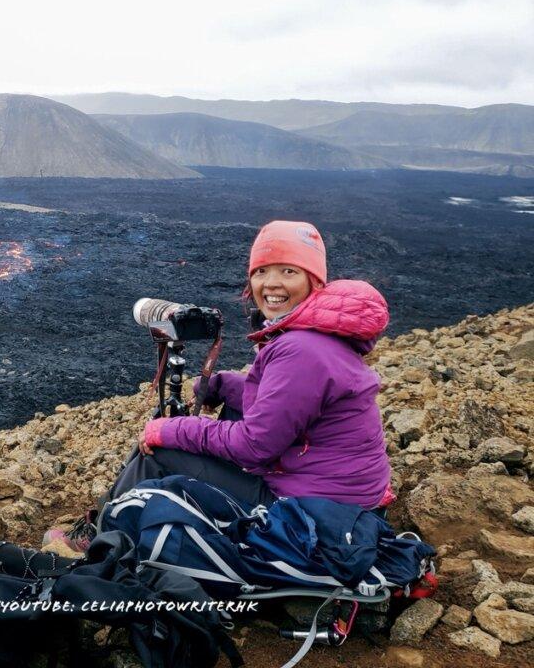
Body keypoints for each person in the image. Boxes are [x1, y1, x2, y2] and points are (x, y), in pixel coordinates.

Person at [45, 220, 393, 551]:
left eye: (289, 271)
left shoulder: (302, 349)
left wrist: (168, 430)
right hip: (337, 498)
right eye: (261, 271)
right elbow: (287, 401)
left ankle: (98, 541)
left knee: (161, 455)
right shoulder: (316, 336)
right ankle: (114, 520)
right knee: (218, 419)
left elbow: (254, 445)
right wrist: (223, 385)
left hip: (317, 517)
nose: (271, 284)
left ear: (314, 280)